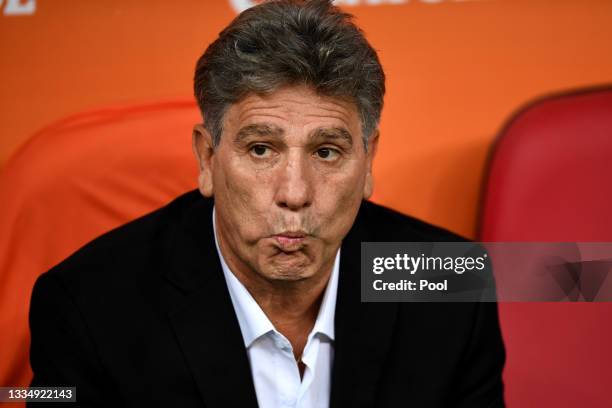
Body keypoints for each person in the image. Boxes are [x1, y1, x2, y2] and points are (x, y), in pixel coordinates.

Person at [28, 1, 505, 407]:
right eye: (261, 149)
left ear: (368, 160)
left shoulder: (450, 282)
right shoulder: (86, 308)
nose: (294, 193)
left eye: (326, 152)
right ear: (207, 157)